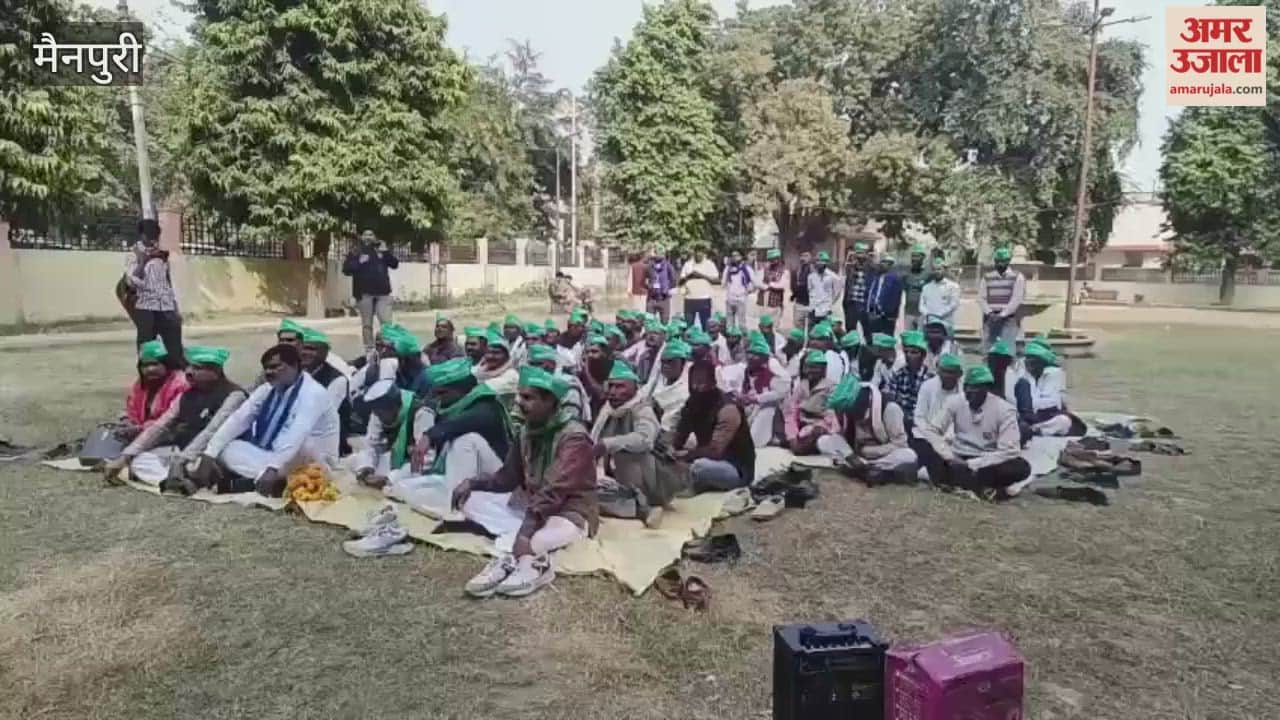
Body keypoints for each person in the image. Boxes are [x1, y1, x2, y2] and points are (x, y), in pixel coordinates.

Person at [453, 366, 598, 598]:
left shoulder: (574, 437)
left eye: (527, 397)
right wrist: (472, 483)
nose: (518, 402)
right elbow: (506, 478)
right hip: (532, 508)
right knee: (470, 502)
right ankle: (520, 550)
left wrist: (526, 532)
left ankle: (531, 565)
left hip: (568, 513)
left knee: (536, 540)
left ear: (550, 402)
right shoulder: (526, 431)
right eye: (519, 395)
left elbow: (554, 489)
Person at [195, 344, 340, 496]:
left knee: (304, 444)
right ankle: (272, 482)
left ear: (295, 366)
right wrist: (209, 454)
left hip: (314, 460)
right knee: (226, 448)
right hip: (274, 456)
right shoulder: (267, 390)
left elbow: (297, 433)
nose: (269, 372)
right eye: (266, 368)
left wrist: (273, 468)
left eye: (275, 367)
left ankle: (256, 482)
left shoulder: (313, 393)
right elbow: (238, 420)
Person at [104, 346, 244, 492]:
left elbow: (211, 432)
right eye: (189, 366)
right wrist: (126, 456)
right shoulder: (187, 394)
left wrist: (182, 459)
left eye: (197, 368)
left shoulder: (233, 396)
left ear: (215, 372)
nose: (189, 372)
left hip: (211, 453)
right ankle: (175, 481)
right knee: (141, 461)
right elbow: (160, 426)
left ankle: (186, 479)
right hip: (182, 449)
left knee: (203, 465)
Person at [909, 365, 1033, 500]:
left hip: (985, 462)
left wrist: (973, 464)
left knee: (1021, 467)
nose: (969, 391)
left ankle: (960, 483)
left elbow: (1009, 450)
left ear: (987, 389)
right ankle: (979, 487)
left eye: (975, 388)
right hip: (956, 457)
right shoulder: (954, 402)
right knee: (923, 445)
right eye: (966, 387)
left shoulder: (1004, 410)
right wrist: (949, 456)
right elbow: (932, 430)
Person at [590, 362, 670, 528]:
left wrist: (608, 444)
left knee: (626, 450)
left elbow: (644, 440)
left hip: (650, 478)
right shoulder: (609, 409)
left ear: (634, 388)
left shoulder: (642, 409)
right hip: (613, 477)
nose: (613, 392)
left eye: (620, 387)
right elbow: (593, 439)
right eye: (611, 386)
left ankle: (641, 507)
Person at [817, 375, 918, 484]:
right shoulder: (848, 413)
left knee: (908, 456)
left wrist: (869, 452)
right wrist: (850, 455)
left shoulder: (890, 408)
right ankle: (863, 470)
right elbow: (840, 436)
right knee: (823, 441)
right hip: (856, 456)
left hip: (881, 457)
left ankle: (866, 470)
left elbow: (900, 443)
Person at [673, 360, 756, 492]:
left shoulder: (727, 409)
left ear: (712, 383)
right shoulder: (692, 403)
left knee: (699, 467)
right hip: (708, 456)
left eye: (700, 382)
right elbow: (679, 436)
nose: (695, 387)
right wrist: (669, 451)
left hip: (735, 468)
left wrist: (685, 456)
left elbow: (715, 451)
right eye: (692, 382)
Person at [350, 378, 434, 489]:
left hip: (418, 474)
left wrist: (391, 478)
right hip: (396, 464)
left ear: (395, 406)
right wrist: (366, 469)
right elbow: (371, 444)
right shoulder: (378, 412)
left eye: (381, 413)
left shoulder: (421, 412)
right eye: (376, 413)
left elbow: (427, 459)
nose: (378, 417)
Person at [123, 218, 184, 366]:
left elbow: (167, 281)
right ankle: (147, 379)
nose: (153, 239)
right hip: (146, 307)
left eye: (155, 236)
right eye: (149, 236)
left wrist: (175, 305)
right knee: (147, 348)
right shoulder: (133, 255)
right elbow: (132, 281)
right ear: (142, 235)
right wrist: (143, 261)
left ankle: (175, 378)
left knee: (175, 346)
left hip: (165, 305)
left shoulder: (162, 255)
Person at [116, 341, 191, 447]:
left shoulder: (181, 384)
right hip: (142, 436)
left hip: (171, 438)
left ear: (166, 364)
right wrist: (127, 421)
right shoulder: (141, 384)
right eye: (145, 365)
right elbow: (131, 409)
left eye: (155, 364)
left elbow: (173, 420)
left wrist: (140, 429)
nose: (150, 369)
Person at [722, 336, 789, 447]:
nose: (750, 357)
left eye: (754, 354)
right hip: (752, 406)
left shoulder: (772, 366)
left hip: (773, 408)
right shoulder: (748, 369)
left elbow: (781, 392)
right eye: (749, 353)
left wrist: (757, 398)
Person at [342, 229, 399, 354]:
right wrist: (358, 262)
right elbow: (346, 269)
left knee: (386, 322)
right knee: (367, 324)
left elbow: (394, 264)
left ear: (375, 236)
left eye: (371, 234)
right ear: (362, 237)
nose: (368, 237)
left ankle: (387, 347)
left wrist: (386, 253)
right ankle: (369, 349)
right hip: (364, 293)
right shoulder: (356, 250)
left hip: (383, 293)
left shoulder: (381, 249)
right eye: (365, 234)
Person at [300, 327, 353, 456]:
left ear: (325, 353)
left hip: (326, 442)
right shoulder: (299, 373)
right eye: (303, 348)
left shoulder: (337, 380)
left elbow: (320, 417)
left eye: (311, 349)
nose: (305, 353)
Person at [1022, 343, 1086, 437]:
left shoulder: (1052, 374)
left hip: (1047, 415)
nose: (1030, 366)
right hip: (1028, 415)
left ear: (1041, 363)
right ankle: (1034, 429)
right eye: (1027, 363)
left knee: (1063, 421)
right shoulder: (1024, 377)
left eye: (1033, 363)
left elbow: (1051, 402)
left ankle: (1038, 430)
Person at [783, 350, 837, 455]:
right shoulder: (802, 386)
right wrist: (792, 436)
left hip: (822, 428)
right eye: (808, 367)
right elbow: (791, 412)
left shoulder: (831, 387)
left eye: (815, 367)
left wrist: (820, 428)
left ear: (824, 369)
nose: (810, 371)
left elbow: (832, 416)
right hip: (802, 427)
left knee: (820, 440)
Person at [978, 247, 1026, 352]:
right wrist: (990, 313)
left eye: (1003, 262)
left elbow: (1016, 299)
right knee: (989, 350)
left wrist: (1002, 315)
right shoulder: (987, 277)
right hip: (990, 318)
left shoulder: (1017, 277)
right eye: (997, 261)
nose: (1000, 264)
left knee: (1007, 350)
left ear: (1008, 261)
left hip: (1008, 319)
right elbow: (981, 298)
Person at [885, 330, 933, 435]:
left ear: (923, 355)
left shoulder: (930, 379)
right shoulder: (898, 375)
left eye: (914, 352)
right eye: (906, 352)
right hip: (900, 425)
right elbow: (892, 401)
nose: (908, 355)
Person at [527, 344, 590, 424]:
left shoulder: (567, 384)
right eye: (530, 364)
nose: (532, 369)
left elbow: (571, 420)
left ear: (551, 365)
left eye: (537, 364)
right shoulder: (534, 383)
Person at [647, 339, 692, 443]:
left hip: (672, 434)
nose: (666, 366)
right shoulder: (658, 379)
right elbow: (641, 396)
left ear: (682, 363)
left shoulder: (687, 386)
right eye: (664, 362)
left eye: (671, 362)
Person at [913, 353, 964, 438]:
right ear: (938, 371)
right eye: (944, 371)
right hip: (927, 435)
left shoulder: (964, 393)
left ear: (959, 374)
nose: (946, 375)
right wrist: (930, 435)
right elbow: (919, 417)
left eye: (951, 372)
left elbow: (962, 423)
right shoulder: (927, 386)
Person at [842, 242, 874, 344]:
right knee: (850, 331)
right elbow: (847, 285)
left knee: (868, 331)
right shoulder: (850, 267)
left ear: (867, 254)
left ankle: (870, 354)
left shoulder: (872, 268)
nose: (861, 256)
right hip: (852, 302)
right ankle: (852, 353)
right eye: (859, 253)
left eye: (863, 253)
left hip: (865, 304)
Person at [679, 248, 720, 328]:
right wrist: (689, 276)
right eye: (696, 252)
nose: (698, 255)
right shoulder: (688, 264)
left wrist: (701, 275)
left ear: (704, 254)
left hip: (704, 299)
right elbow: (680, 282)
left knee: (706, 326)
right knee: (688, 327)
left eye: (701, 253)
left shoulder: (710, 264)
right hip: (689, 299)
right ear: (694, 253)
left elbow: (717, 281)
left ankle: (705, 340)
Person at [578, 334, 616, 419]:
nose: (590, 355)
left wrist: (586, 369)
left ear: (604, 353)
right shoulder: (584, 371)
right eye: (587, 352)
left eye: (594, 352)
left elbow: (602, 395)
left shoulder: (612, 369)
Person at [918, 257, 960, 331]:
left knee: (946, 342)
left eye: (939, 269)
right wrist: (929, 315)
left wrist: (939, 314)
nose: (937, 271)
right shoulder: (926, 287)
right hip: (928, 324)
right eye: (934, 269)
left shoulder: (953, 287)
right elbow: (921, 305)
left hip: (946, 325)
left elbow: (954, 304)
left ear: (944, 270)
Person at [866, 255, 903, 337]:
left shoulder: (894, 279)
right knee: (875, 338)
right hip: (875, 314)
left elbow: (895, 299)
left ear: (890, 265)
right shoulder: (877, 277)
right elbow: (872, 294)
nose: (881, 264)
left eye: (884, 262)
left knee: (886, 339)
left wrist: (885, 312)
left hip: (887, 316)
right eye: (881, 262)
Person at [722, 249, 756, 331]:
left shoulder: (746, 269)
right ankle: (730, 342)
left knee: (741, 324)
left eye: (737, 255)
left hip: (741, 299)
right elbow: (723, 283)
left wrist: (748, 291)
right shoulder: (728, 269)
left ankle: (742, 342)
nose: (734, 258)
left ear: (741, 257)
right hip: (730, 299)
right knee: (729, 324)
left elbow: (755, 282)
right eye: (733, 256)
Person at [392, 332, 431, 398]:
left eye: (407, 359)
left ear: (418, 356)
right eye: (400, 359)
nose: (402, 362)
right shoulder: (400, 374)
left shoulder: (426, 377)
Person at [901, 245, 930, 330]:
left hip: (922, 313)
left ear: (923, 258)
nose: (914, 259)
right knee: (908, 338)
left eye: (917, 256)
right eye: (913, 256)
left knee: (920, 339)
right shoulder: (906, 275)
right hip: (908, 312)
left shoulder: (928, 275)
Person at [807, 251, 840, 325]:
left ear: (826, 263)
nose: (820, 263)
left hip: (826, 309)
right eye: (818, 261)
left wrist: (830, 302)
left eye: (822, 261)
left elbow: (837, 292)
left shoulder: (833, 277)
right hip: (814, 310)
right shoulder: (811, 277)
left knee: (825, 332)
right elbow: (809, 291)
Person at [646, 250, 679, 322]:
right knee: (649, 323)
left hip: (664, 299)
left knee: (664, 323)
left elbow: (674, 281)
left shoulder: (668, 266)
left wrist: (667, 289)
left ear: (664, 254)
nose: (658, 255)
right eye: (656, 253)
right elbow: (644, 280)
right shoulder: (649, 266)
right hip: (651, 299)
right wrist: (649, 286)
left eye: (661, 253)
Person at [759, 248, 787, 319]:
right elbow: (760, 282)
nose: (772, 261)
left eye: (774, 259)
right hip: (765, 301)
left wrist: (770, 284)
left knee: (774, 324)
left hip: (776, 301)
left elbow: (782, 285)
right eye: (770, 259)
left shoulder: (784, 271)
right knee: (765, 322)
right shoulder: (766, 269)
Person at [790, 249, 815, 328]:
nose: (803, 258)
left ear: (810, 257)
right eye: (802, 256)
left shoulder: (813, 269)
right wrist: (794, 294)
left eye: (806, 256)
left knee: (810, 325)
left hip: (810, 301)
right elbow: (794, 284)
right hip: (799, 301)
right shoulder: (797, 269)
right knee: (798, 323)